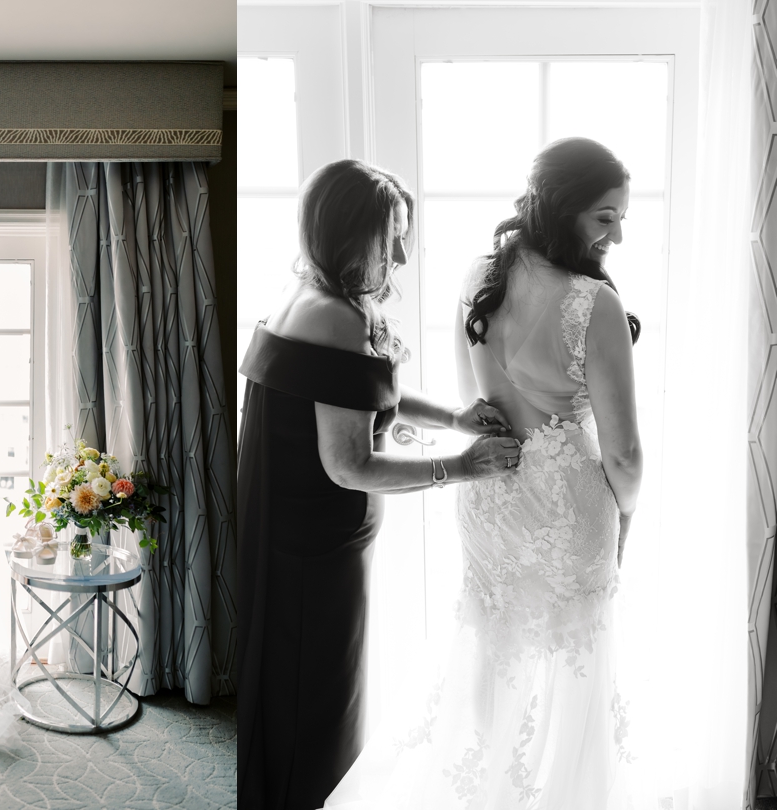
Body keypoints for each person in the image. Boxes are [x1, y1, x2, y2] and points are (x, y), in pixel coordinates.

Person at [323, 137, 643, 809]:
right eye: (604, 216)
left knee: (492, 656)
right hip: (568, 507)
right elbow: (624, 455)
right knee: (570, 669)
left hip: (491, 493)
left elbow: (477, 394)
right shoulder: (593, 303)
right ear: (563, 210)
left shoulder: (479, 276)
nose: (617, 232)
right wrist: (628, 515)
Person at [237, 158, 524, 810]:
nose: (401, 251)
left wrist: (452, 417)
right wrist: (461, 465)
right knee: (316, 708)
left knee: (316, 699)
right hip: (311, 557)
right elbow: (349, 465)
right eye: (391, 233)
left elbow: (364, 393)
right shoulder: (335, 317)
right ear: (346, 231)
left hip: (311, 544)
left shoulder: (312, 295)